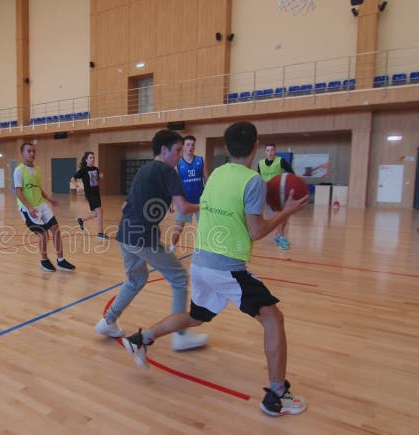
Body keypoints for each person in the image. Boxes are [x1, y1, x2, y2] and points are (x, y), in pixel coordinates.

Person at [120, 122, 309, 417]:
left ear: (227, 147)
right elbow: (257, 231)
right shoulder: (253, 181)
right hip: (226, 269)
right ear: (256, 146)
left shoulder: (217, 174)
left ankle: (140, 339)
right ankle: (277, 395)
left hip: (201, 262)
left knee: (197, 317)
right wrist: (285, 212)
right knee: (273, 320)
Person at [94, 129, 208, 351]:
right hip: (143, 237)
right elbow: (183, 207)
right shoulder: (168, 172)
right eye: (177, 150)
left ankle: (107, 321)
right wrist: (208, 205)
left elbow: (125, 205)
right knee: (179, 277)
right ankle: (180, 335)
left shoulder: (143, 169)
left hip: (124, 234)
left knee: (135, 280)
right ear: (164, 150)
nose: (179, 155)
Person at [14, 142, 76, 272]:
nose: (32, 153)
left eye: (33, 151)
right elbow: (18, 192)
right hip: (27, 208)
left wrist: (49, 199)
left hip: (41, 204)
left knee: (56, 229)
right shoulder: (19, 171)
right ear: (22, 154)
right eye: (29, 151)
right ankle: (44, 260)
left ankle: (61, 260)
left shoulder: (37, 169)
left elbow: (38, 188)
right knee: (43, 235)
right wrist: (30, 208)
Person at [169, 135, 208, 253]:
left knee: (205, 228)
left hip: (200, 202)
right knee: (178, 228)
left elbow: (208, 180)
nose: (190, 147)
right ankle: (172, 247)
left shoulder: (200, 160)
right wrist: (171, 202)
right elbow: (174, 185)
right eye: (188, 144)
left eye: (192, 145)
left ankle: (204, 249)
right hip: (184, 202)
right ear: (183, 147)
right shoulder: (179, 163)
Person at [257, 143, 294, 249]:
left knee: (284, 215)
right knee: (278, 215)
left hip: (280, 192)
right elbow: (258, 178)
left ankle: (279, 235)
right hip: (268, 193)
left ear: (275, 151)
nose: (270, 152)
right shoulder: (260, 163)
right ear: (265, 152)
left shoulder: (280, 161)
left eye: (272, 150)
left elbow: (291, 172)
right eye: (268, 150)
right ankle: (281, 236)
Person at [72, 151, 108, 240]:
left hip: (96, 192)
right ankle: (100, 233)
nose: (92, 159)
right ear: (86, 159)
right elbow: (73, 179)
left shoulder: (96, 169)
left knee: (97, 213)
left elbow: (95, 180)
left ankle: (81, 220)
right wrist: (77, 186)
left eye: (93, 158)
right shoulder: (83, 170)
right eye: (91, 158)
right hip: (90, 194)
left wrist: (100, 177)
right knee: (100, 212)